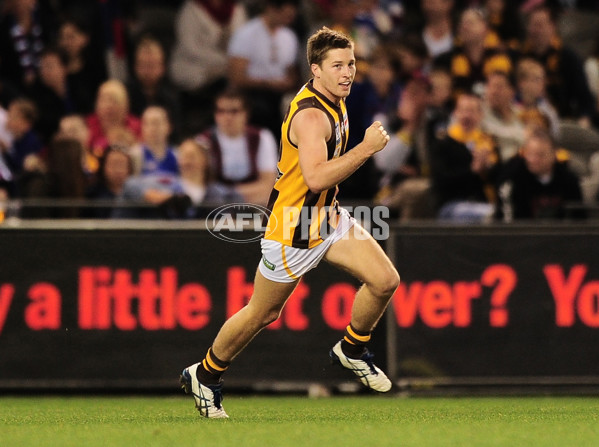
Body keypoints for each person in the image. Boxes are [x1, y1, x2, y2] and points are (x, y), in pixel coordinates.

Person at [180, 26, 400, 419]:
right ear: (315, 70)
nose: (347, 72)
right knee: (262, 313)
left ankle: (350, 350)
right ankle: (206, 373)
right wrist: (367, 148)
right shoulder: (313, 116)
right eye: (337, 65)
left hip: (325, 216)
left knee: (385, 280)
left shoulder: (334, 96)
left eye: (350, 63)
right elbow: (315, 178)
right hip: (294, 228)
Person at [227, 0, 301, 138]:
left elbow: (292, 73)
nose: (288, 19)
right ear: (271, 9)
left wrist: (288, 83)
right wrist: (266, 83)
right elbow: (236, 77)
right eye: (285, 15)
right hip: (252, 92)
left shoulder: (289, 37)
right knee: (263, 109)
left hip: (280, 93)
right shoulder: (246, 34)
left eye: (290, 16)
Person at [195, 89, 277, 206]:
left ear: (246, 113)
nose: (227, 117)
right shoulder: (203, 140)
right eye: (221, 111)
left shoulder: (262, 138)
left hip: (254, 204)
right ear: (215, 114)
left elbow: (268, 184)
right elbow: (198, 183)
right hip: (212, 206)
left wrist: (232, 194)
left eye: (234, 111)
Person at [430, 92, 500, 222]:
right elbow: (440, 182)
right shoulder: (443, 144)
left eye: (472, 111)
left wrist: (487, 168)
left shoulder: (488, 143)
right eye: (463, 110)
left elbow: (499, 179)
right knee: (488, 215)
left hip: (483, 202)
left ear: (480, 115)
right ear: (456, 113)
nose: (467, 115)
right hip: (451, 206)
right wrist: (472, 170)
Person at [496, 126, 585, 220]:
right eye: (530, 154)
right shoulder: (512, 177)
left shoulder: (569, 180)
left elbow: (578, 218)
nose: (533, 160)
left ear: (553, 155)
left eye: (540, 155)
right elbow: (505, 221)